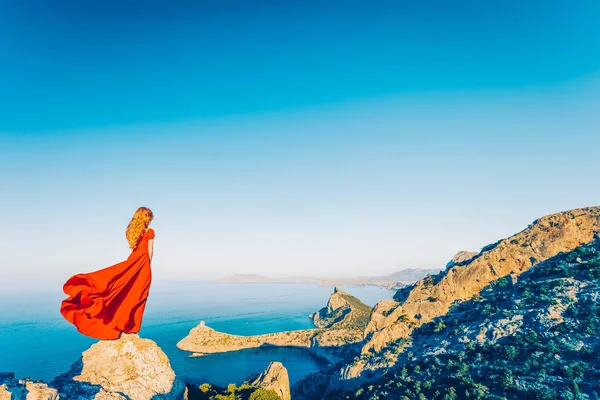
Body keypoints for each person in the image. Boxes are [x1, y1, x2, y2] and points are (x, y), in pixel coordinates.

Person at [60, 207, 155, 340]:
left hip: (131, 262)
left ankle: (124, 325)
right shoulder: (149, 231)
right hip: (142, 265)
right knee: (139, 295)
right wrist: (147, 267)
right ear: (146, 217)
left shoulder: (130, 232)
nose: (151, 220)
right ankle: (131, 327)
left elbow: (135, 248)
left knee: (121, 290)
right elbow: (150, 252)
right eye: (150, 217)